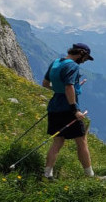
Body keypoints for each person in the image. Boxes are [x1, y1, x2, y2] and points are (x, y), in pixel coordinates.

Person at [41, 43, 95, 179]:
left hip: (54, 107)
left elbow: (46, 84)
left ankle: (47, 174)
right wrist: (75, 109)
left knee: (57, 141)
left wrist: (73, 87)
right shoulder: (73, 66)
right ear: (81, 53)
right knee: (81, 140)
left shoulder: (56, 62)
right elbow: (69, 87)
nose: (84, 61)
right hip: (68, 110)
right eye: (85, 58)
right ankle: (90, 176)